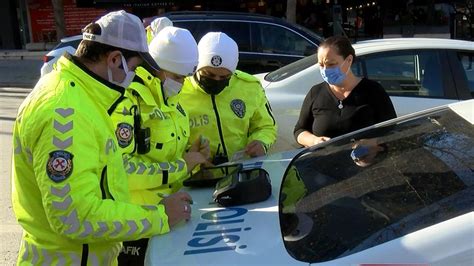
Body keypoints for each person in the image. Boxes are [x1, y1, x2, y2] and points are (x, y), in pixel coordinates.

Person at [11, 10, 192, 265]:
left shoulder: (84, 96)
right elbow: (75, 216)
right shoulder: (66, 113)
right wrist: (158, 216)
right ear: (115, 60)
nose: (135, 78)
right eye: (136, 68)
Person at [113, 26, 209, 265]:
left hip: (169, 214)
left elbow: (168, 156)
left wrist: (192, 157)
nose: (182, 84)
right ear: (158, 70)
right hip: (136, 224)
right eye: (178, 77)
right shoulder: (128, 102)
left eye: (186, 78)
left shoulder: (173, 103)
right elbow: (120, 170)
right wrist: (182, 165)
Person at [179, 32, 277, 165]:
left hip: (240, 170)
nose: (216, 80)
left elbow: (266, 126)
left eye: (224, 77)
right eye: (209, 74)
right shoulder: (179, 90)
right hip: (195, 175)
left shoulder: (249, 87)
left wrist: (261, 142)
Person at [294, 36, 396, 148]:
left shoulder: (373, 91)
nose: (325, 70)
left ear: (348, 60)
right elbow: (299, 130)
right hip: (323, 162)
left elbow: (391, 131)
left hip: (366, 164)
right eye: (321, 65)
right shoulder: (316, 92)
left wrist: (372, 145)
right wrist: (314, 141)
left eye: (331, 64)